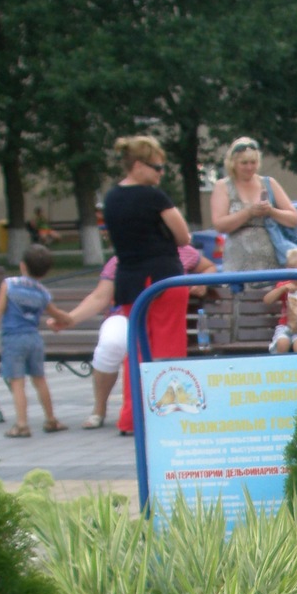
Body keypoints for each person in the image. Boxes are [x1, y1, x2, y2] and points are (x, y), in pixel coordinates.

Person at [102, 134, 193, 435]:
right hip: (164, 277)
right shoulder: (154, 197)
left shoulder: (111, 198)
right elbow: (183, 236)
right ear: (138, 165)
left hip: (129, 280)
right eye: (157, 167)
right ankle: (168, 416)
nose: (160, 173)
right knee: (168, 347)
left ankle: (132, 418)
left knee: (137, 351)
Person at [56, 243, 204, 427]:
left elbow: (208, 266)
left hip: (166, 320)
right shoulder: (123, 257)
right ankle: (100, 408)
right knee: (111, 343)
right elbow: (100, 297)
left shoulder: (182, 251)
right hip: (126, 316)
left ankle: (158, 412)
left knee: (160, 354)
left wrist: (201, 282)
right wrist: (71, 319)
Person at [0, 243, 72, 437]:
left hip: (12, 339)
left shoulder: (9, 285)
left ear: (22, 265)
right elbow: (56, 313)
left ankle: (22, 424)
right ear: (45, 272)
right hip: (34, 339)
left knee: (17, 382)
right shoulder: (43, 293)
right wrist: (67, 319)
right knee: (40, 379)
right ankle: (51, 419)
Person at [209, 138, 297, 283]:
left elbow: (294, 219)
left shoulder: (269, 183)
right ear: (233, 163)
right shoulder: (223, 186)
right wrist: (249, 212)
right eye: (244, 163)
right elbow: (220, 225)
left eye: (253, 162)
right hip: (237, 264)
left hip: (271, 262)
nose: (249, 167)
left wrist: (271, 211)